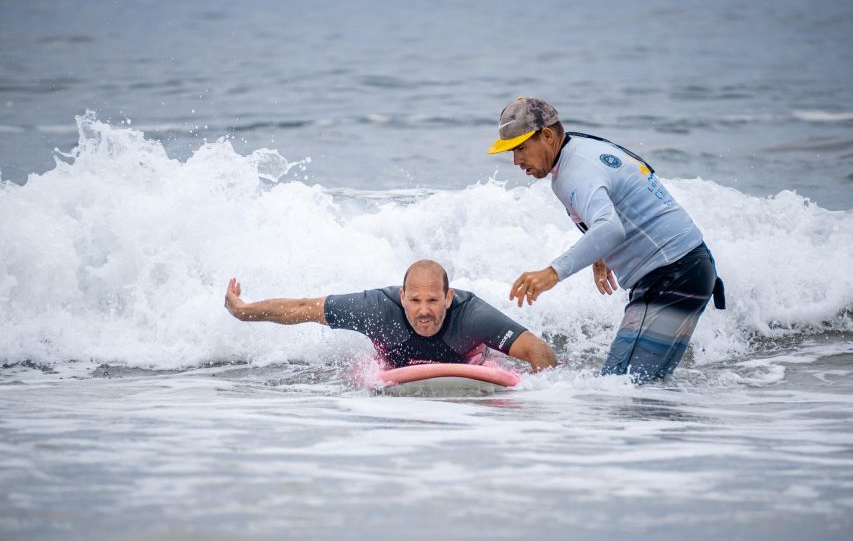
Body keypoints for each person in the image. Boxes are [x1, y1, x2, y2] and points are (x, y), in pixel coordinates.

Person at [487, 97, 725, 382]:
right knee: (637, 387)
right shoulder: (579, 153)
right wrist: (600, 254)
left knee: (622, 385)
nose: (517, 161)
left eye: (521, 148)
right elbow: (613, 211)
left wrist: (553, 273)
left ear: (547, 135)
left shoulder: (576, 172)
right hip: (684, 271)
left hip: (672, 275)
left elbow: (610, 228)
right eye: (512, 152)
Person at [224, 259, 557, 372]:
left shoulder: (472, 316)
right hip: (395, 367)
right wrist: (244, 312)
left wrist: (541, 398)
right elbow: (303, 308)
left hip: (468, 364)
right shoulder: (377, 309)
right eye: (414, 300)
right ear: (402, 297)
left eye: (433, 300)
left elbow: (539, 352)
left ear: (448, 297)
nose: (424, 310)